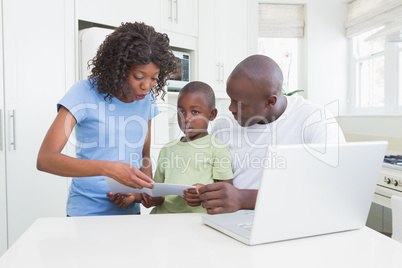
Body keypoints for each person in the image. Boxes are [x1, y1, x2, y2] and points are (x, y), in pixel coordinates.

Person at [36, 22, 177, 216]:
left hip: (129, 214)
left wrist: (145, 191)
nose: (146, 86)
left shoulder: (146, 100)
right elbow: (46, 159)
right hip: (86, 214)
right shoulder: (83, 93)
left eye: (154, 78)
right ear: (117, 68)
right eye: (138, 76)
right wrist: (107, 168)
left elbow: (143, 156)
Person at [198, 54, 346, 214]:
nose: (231, 108)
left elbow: (332, 188)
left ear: (270, 102)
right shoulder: (223, 126)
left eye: (239, 104)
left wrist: (243, 199)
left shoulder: (316, 120)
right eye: (230, 99)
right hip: (231, 222)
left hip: (293, 218)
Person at [138, 81, 233, 213]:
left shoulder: (217, 148)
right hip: (162, 219)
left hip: (197, 221)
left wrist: (204, 194)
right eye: (181, 111)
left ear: (211, 114)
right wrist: (153, 199)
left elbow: (227, 190)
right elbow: (159, 193)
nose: (186, 118)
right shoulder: (167, 149)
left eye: (195, 112)